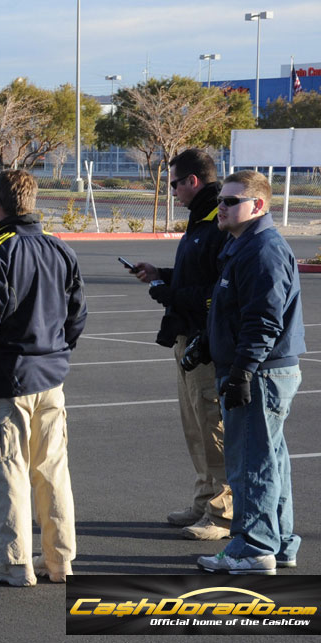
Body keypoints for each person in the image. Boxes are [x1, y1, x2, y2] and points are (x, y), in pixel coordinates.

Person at [0, 170, 87, 586]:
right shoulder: (59, 249)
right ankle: (60, 560)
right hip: (50, 380)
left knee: (7, 471)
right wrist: (56, 352)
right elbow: (77, 314)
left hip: (7, 382)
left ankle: (14, 562)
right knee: (51, 471)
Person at [197, 170, 304, 575]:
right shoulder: (242, 246)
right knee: (271, 461)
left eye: (230, 201)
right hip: (261, 371)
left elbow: (263, 320)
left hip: (260, 374)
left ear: (257, 205)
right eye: (220, 200)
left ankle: (252, 548)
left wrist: (241, 371)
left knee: (251, 463)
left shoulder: (263, 249)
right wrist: (207, 344)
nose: (220, 207)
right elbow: (235, 310)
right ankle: (279, 543)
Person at [130, 149, 232, 541]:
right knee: (195, 427)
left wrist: (172, 294)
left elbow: (218, 290)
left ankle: (222, 513)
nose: (171, 190)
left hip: (208, 342)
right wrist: (162, 276)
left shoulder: (216, 221)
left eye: (174, 183)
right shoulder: (200, 220)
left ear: (192, 181)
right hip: (186, 337)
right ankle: (205, 498)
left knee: (213, 425)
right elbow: (194, 275)